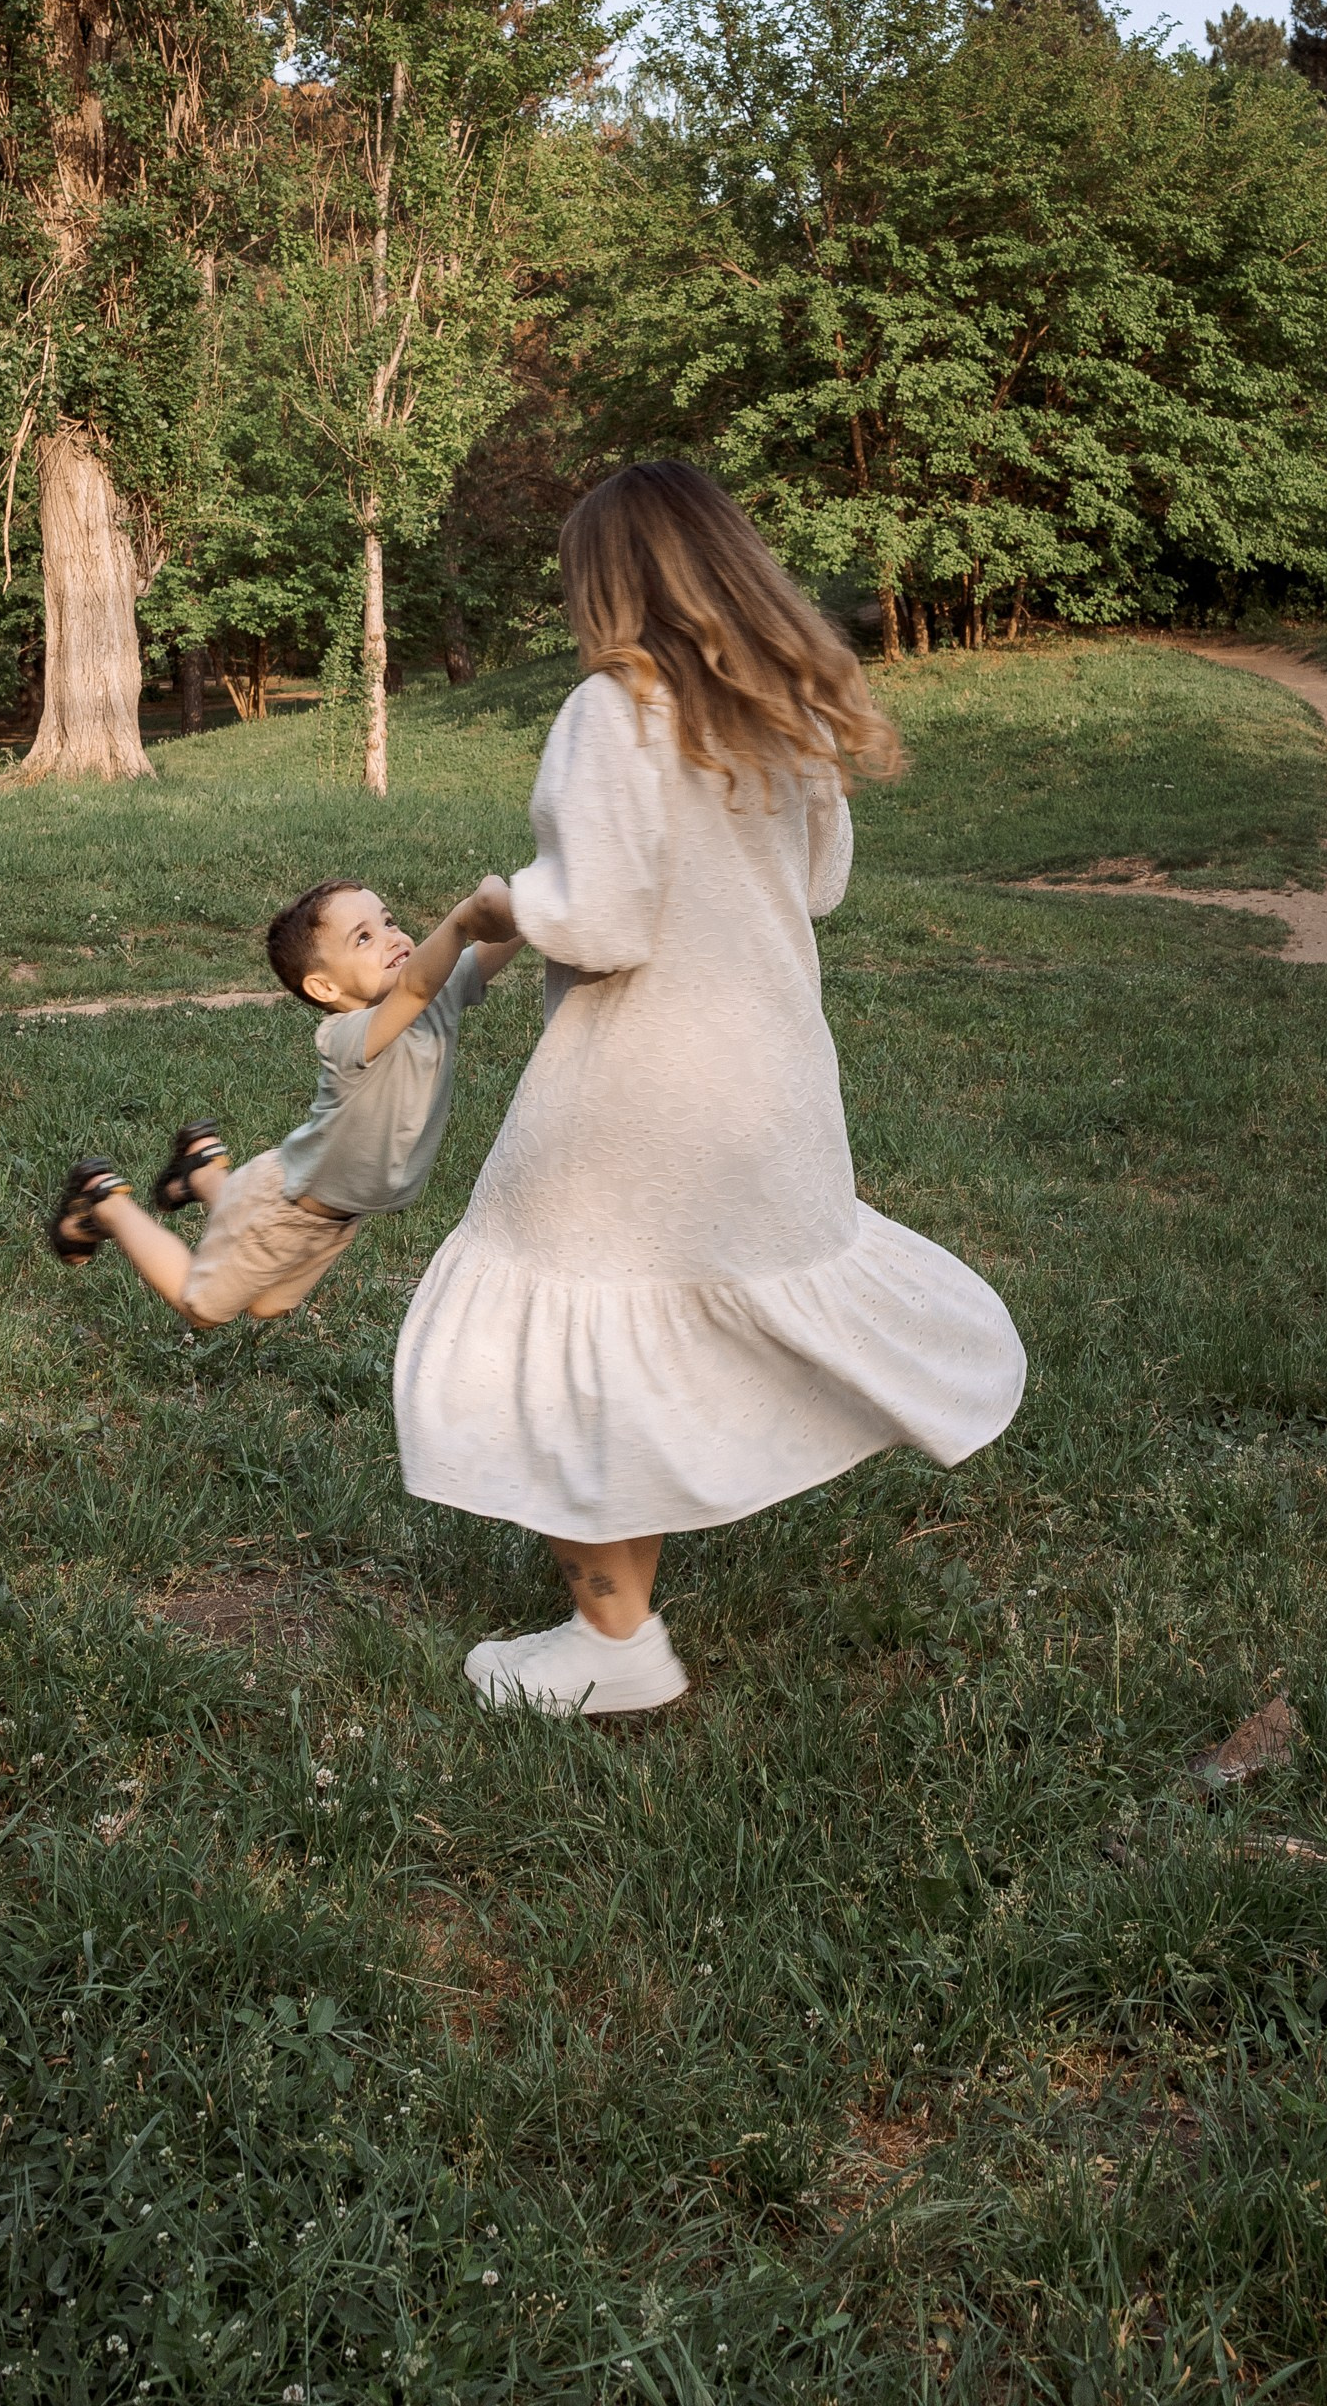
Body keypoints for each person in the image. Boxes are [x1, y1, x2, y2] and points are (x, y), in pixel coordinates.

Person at [393, 460, 1027, 1715]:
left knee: (559, 1337)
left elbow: (604, 920)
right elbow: (821, 887)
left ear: (612, 586)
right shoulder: (779, 717)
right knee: (647, 1331)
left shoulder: (613, 712)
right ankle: (615, 1632)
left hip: (636, 1093)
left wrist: (501, 902)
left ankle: (614, 1647)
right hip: (769, 1082)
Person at [45, 876, 522, 1325]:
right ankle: (103, 1200)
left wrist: (544, 900)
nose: (391, 937)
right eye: (363, 938)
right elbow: (419, 983)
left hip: (333, 1215)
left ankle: (202, 1171)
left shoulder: (439, 996)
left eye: (390, 922)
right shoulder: (348, 1035)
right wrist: (461, 919)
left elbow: (504, 940)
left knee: (267, 1306)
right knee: (203, 1308)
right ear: (325, 988)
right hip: (287, 1209)